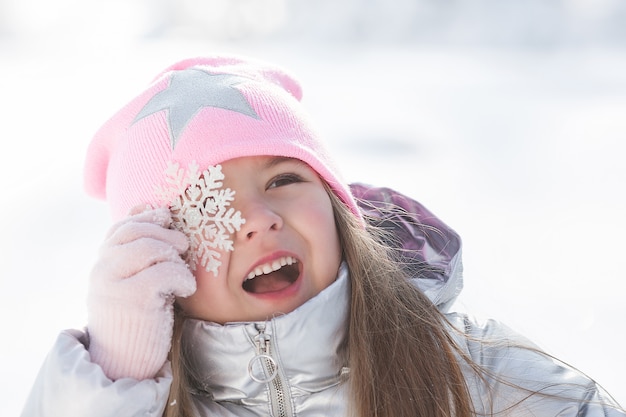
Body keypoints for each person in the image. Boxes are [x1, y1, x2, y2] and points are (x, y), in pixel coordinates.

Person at [21, 55, 624, 417]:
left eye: (284, 178)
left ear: (338, 208)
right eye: (209, 204)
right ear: (158, 266)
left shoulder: (470, 372)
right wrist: (117, 375)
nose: (258, 218)